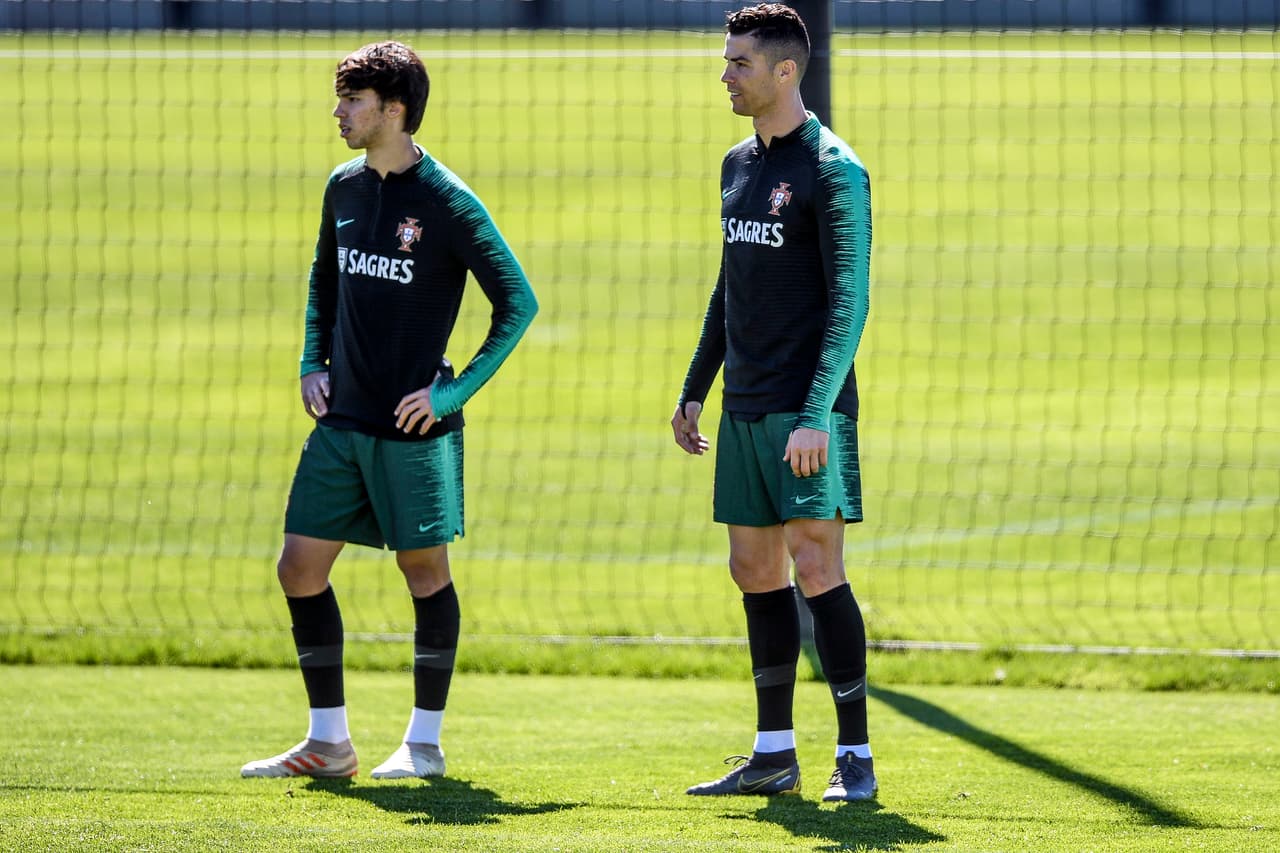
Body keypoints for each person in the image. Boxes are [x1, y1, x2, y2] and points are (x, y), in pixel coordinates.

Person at [242, 41, 538, 780]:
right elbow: (323, 282)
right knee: (298, 567)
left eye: (352, 101)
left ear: (393, 109)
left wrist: (450, 393)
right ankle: (329, 742)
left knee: (423, 571)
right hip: (342, 421)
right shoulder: (342, 188)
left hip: (414, 428)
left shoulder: (447, 202)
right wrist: (314, 360)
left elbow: (518, 305)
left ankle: (424, 744)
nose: (338, 112)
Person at [671, 4, 875, 802]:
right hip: (744, 407)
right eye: (726, 61)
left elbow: (850, 302)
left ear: (786, 71)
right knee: (753, 569)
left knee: (816, 565)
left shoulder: (834, 169)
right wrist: (696, 387)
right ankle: (773, 753)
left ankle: (853, 756)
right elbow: (730, 288)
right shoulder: (735, 165)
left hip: (808, 413)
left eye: (739, 64)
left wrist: (816, 412)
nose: (725, 75)